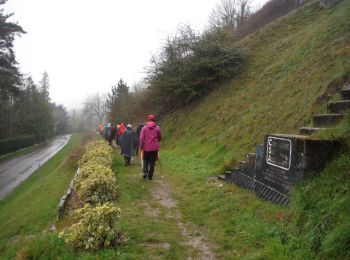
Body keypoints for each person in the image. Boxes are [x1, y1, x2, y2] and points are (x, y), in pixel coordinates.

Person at [140, 114, 162, 180]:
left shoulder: (144, 128)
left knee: (145, 160)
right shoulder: (157, 128)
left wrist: (141, 146)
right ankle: (150, 175)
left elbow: (141, 138)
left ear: (148, 119)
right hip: (154, 148)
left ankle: (144, 172)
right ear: (154, 119)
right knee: (152, 161)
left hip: (146, 147)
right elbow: (160, 137)